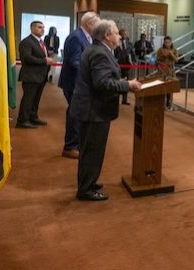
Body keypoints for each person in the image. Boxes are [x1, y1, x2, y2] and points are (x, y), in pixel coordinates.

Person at [72, 19, 142, 201]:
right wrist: (127, 84)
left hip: (93, 109)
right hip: (94, 110)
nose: (119, 36)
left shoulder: (100, 50)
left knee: (92, 150)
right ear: (107, 36)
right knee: (92, 151)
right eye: (116, 33)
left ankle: (89, 182)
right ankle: (86, 190)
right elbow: (101, 83)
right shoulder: (100, 53)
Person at [59, 12, 100, 158]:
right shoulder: (76, 37)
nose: (99, 26)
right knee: (75, 114)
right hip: (73, 83)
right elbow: (75, 61)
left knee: (79, 114)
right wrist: (91, 73)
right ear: (89, 24)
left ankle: (76, 143)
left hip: (80, 83)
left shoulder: (87, 37)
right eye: (97, 23)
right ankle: (70, 146)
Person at [16, 21, 56, 129]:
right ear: (32, 29)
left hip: (41, 76)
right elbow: (26, 58)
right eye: (39, 27)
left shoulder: (41, 42)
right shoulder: (27, 42)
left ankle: (33, 117)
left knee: (36, 99)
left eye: (43, 27)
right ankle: (22, 120)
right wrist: (44, 60)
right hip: (30, 76)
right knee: (28, 99)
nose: (42, 29)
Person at [113, 29, 136, 105]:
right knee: (117, 81)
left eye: (125, 34)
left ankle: (124, 100)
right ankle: (116, 99)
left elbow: (132, 53)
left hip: (127, 65)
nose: (123, 36)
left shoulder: (130, 44)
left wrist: (134, 61)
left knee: (126, 82)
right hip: (117, 65)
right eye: (122, 34)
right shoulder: (115, 42)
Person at [156, 36, 178, 110]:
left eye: (168, 42)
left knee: (170, 89)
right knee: (162, 88)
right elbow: (157, 61)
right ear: (164, 43)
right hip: (162, 71)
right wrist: (162, 59)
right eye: (165, 42)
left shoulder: (174, 50)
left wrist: (171, 54)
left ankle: (169, 104)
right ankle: (162, 104)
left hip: (171, 72)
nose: (167, 44)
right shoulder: (160, 50)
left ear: (171, 43)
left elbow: (176, 60)